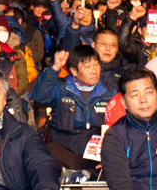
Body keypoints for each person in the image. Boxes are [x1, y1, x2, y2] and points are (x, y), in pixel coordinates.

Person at [25, 47, 113, 181]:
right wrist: (54, 68)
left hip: (96, 152)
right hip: (65, 149)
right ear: (74, 71)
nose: (94, 70)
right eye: (87, 66)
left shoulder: (109, 91)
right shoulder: (61, 88)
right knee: (48, 153)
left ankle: (85, 174)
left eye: (96, 64)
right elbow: (40, 96)